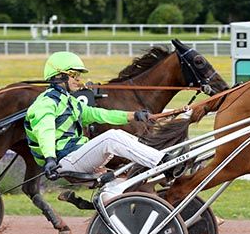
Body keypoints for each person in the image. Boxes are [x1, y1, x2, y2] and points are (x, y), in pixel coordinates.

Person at [24, 51, 168, 181]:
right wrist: (50, 159)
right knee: (112, 137)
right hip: (63, 161)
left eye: (78, 76)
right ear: (58, 76)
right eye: (74, 75)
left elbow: (101, 114)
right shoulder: (45, 103)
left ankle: (112, 207)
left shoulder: (70, 102)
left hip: (75, 155)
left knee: (118, 182)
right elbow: (45, 132)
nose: (79, 80)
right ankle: (163, 162)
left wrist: (134, 115)